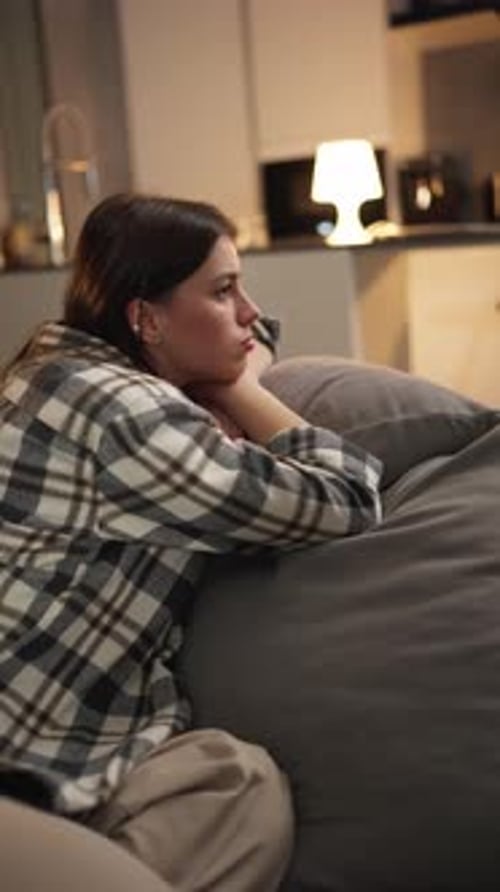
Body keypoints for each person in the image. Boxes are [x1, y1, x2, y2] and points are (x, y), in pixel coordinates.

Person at [0, 192, 382, 890]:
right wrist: (244, 387)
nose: (251, 317)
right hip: (19, 763)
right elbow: (349, 498)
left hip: (68, 750)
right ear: (144, 316)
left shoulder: (56, 374)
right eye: (224, 290)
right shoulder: (118, 411)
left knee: (236, 782)